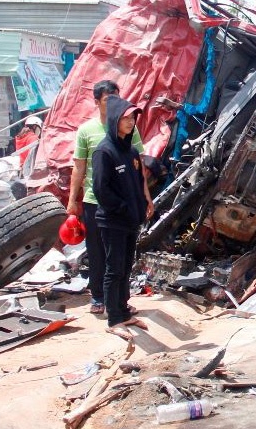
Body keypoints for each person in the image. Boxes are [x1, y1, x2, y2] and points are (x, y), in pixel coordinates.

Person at [67, 80, 151, 315]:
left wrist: (146, 198)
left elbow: (138, 166)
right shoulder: (87, 131)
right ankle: (98, 297)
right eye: (107, 100)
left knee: (122, 256)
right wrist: (73, 200)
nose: (113, 104)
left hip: (124, 203)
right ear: (97, 103)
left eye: (116, 98)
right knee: (97, 252)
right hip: (96, 201)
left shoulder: (129, 128)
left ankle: (120, 302)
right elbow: (79, 167)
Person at [92, 96, 151, 339]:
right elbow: (100, 190)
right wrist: (123, 207)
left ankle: (124, 310)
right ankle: (113, 318)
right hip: (113, 220)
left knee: (126, 267)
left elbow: (138, 182)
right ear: (115, 120)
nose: (130, 122)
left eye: (133, 118)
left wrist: (144, 202)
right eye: (126, 118)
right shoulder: (104, 151)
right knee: (114, 269)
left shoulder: (132, 151)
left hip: (130, 221)